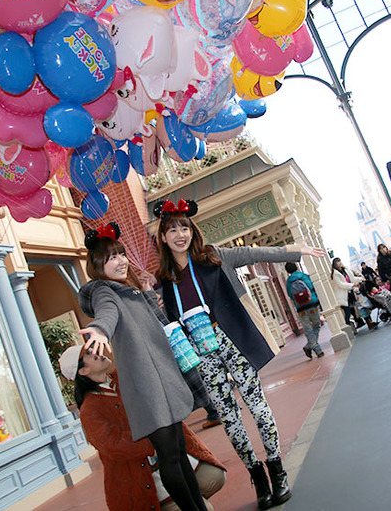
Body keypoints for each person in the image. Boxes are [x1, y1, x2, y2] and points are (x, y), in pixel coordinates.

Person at [154, 199, 325, 510]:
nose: (180, 234)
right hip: (201, 352)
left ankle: (277, 470)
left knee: (257, 407)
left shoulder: (213, 257)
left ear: (192, 231)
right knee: (230, 419)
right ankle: (257, 477)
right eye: (172, 230)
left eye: (184, 228)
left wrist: (295, 250)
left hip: (231, 340)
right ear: (163, 238)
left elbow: (255, 253)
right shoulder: (165, 280)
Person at [77, 222, 207, 511]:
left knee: (179, 453)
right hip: (148, 389)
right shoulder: (103, 292)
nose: (121, 261)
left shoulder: (126, 290)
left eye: (121, 254)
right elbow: (107, 313)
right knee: (169, 457)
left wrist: (147, 292)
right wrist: (99, 329)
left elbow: (150, 324)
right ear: (98, 265)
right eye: (111, 258)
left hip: (162, 380)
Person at [58, 346, 227, 511]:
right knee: (205, 508)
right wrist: (157, 444)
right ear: (83, 372)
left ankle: (187, 498)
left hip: (170, 457)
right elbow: (113, 444)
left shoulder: (123, 378)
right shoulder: (89, 409)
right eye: (88, 354)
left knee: (215, 477)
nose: (96, 352)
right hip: (143, 475)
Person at [284, 262, 324, 359]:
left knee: (307, 328)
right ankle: (316, 348)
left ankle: (310, 346)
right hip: (312, 304)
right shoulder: (304, 276)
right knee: (316, 325)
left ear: (287, 271)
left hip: (300, 308)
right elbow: (311, 287)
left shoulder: (289, 282)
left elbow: (290, 295)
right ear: (297, 267)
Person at [330, 257, 363, 331]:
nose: (340, 264)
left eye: (340, 262)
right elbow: (340, 284)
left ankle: (358, 322)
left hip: (350, 293)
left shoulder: (345, 270)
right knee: (347, 312)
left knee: (354, 308)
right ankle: (347, 328)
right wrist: (352, 285)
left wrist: (360, 279)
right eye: (338, 263)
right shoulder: (335, 274)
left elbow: (352, 278)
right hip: (343, 295)